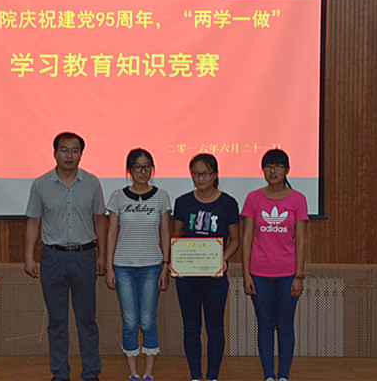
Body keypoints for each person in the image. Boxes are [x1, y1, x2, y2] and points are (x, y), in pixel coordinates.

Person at [24, 132, 107, 381]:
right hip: (53, 257)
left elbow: (100, 221)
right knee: (57, 321)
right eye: (64, 150)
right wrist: (29, 257)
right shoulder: (40, 185)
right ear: (55, 153)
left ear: (81, 154)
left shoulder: (91, 183)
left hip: (84, 256)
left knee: (87, 321)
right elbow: (33, 222)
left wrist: (102, 255)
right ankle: (60, 374)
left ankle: (91, 373)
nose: (69, 155)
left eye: (74, 150)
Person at [241, 149, 309, 381]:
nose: (273, 171)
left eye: (279, 166)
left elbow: (301, 240)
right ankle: (269, 375)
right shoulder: (253, 198)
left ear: (287, 170)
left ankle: (284, 376)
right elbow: (247, 238)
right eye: (269, 166)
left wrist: (299, 276)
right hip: (258, 273)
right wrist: (246, 274)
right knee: (265, 325)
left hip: (288, 273)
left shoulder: (298, 199)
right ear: (263, 170)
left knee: (285, 325)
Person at [172, 153, 240, 381]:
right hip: (187, 276)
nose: (200, 178)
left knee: (215, 328)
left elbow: (235, 240)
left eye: (206, 174)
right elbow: (176, 236)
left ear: (215, 175)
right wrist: (177, 261)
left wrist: (222, 259)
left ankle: (212, 376)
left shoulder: (228, 203)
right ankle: (195, 375)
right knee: (191, 328)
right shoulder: (183, 202)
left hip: (215, 276)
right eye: (196, 174)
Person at [105, 149, 171, 381]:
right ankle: (133, 373)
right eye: (137, 167)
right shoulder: (117, 197)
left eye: (147, 167)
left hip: (152, 266)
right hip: (123, 267)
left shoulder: (162, 196)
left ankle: (148, 373)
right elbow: (111, 233)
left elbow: (165, 232)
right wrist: (109, 267)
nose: (142, 172)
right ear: (129, 170)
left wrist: (165, 265)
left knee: (148, 320)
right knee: (130, 321)